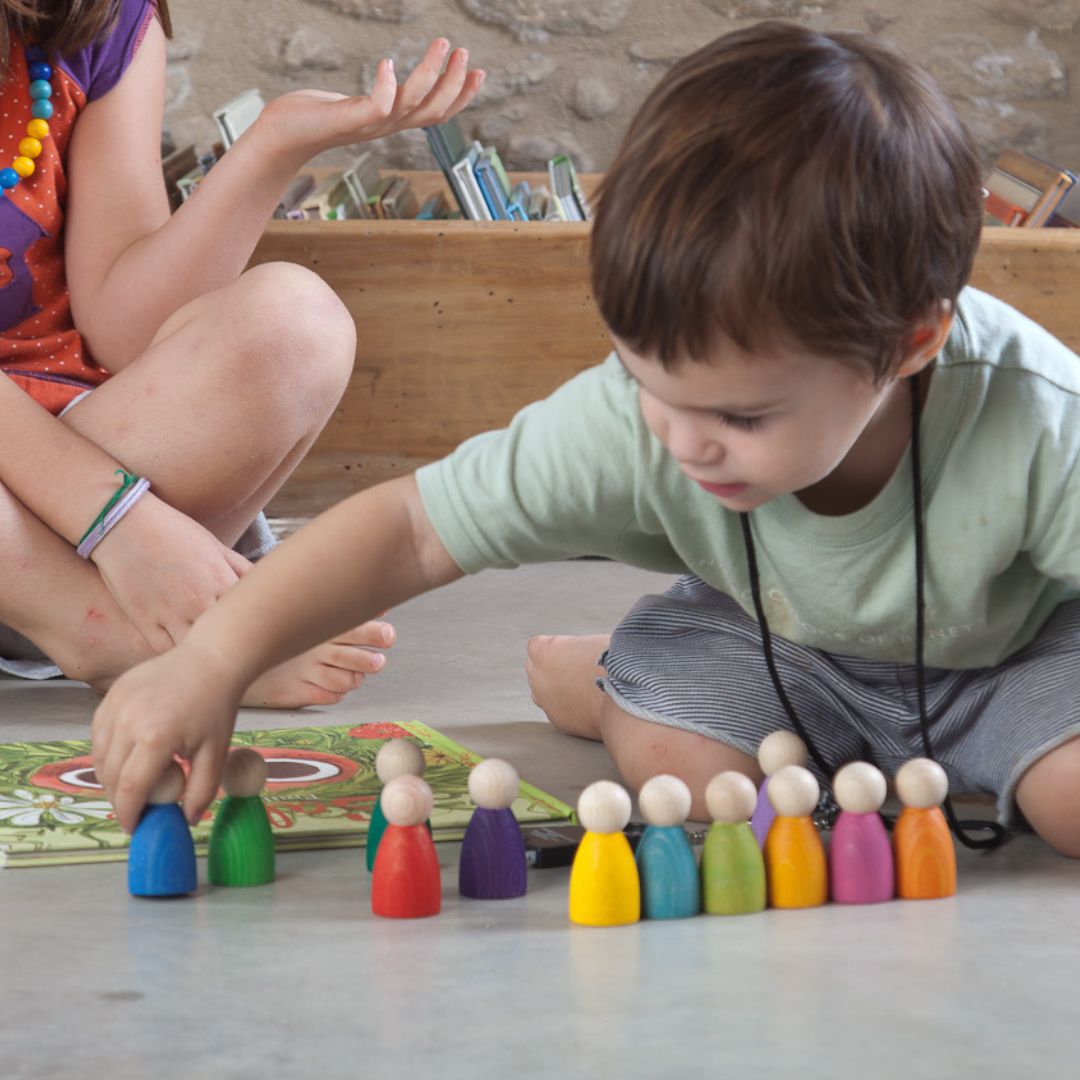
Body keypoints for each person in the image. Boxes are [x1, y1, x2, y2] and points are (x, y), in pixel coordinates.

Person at [93, 20, 1080, 859]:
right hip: (773, 644)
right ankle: (606, 683)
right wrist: (211, 659)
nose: (684, 444)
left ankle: (614, 671)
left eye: (742, 418)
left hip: (1013, 655)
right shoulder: (631, 417)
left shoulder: (1042, 419)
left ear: (910, 344)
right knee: (693, 797)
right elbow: (412, 530)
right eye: (650, 384)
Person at [0, 1, 483, 703]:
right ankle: (112, 638)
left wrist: (271, 148)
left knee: (298, 323)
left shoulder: (97, 19)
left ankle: (117, 610)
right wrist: (118, 520)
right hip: (80, 535)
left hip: (67, 490)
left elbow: (124, 334)